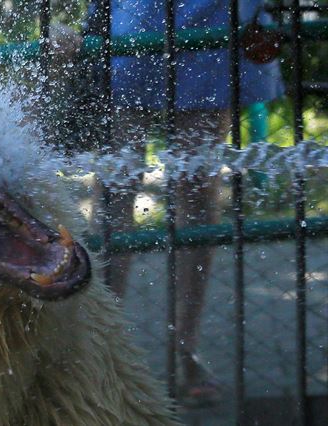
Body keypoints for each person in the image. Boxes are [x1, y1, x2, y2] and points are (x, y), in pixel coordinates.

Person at [85, 0, 284, 405]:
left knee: (195, 190)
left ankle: (185, 348)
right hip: (133, 19)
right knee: (117, 186)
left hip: (213, 17)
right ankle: (102, 346)